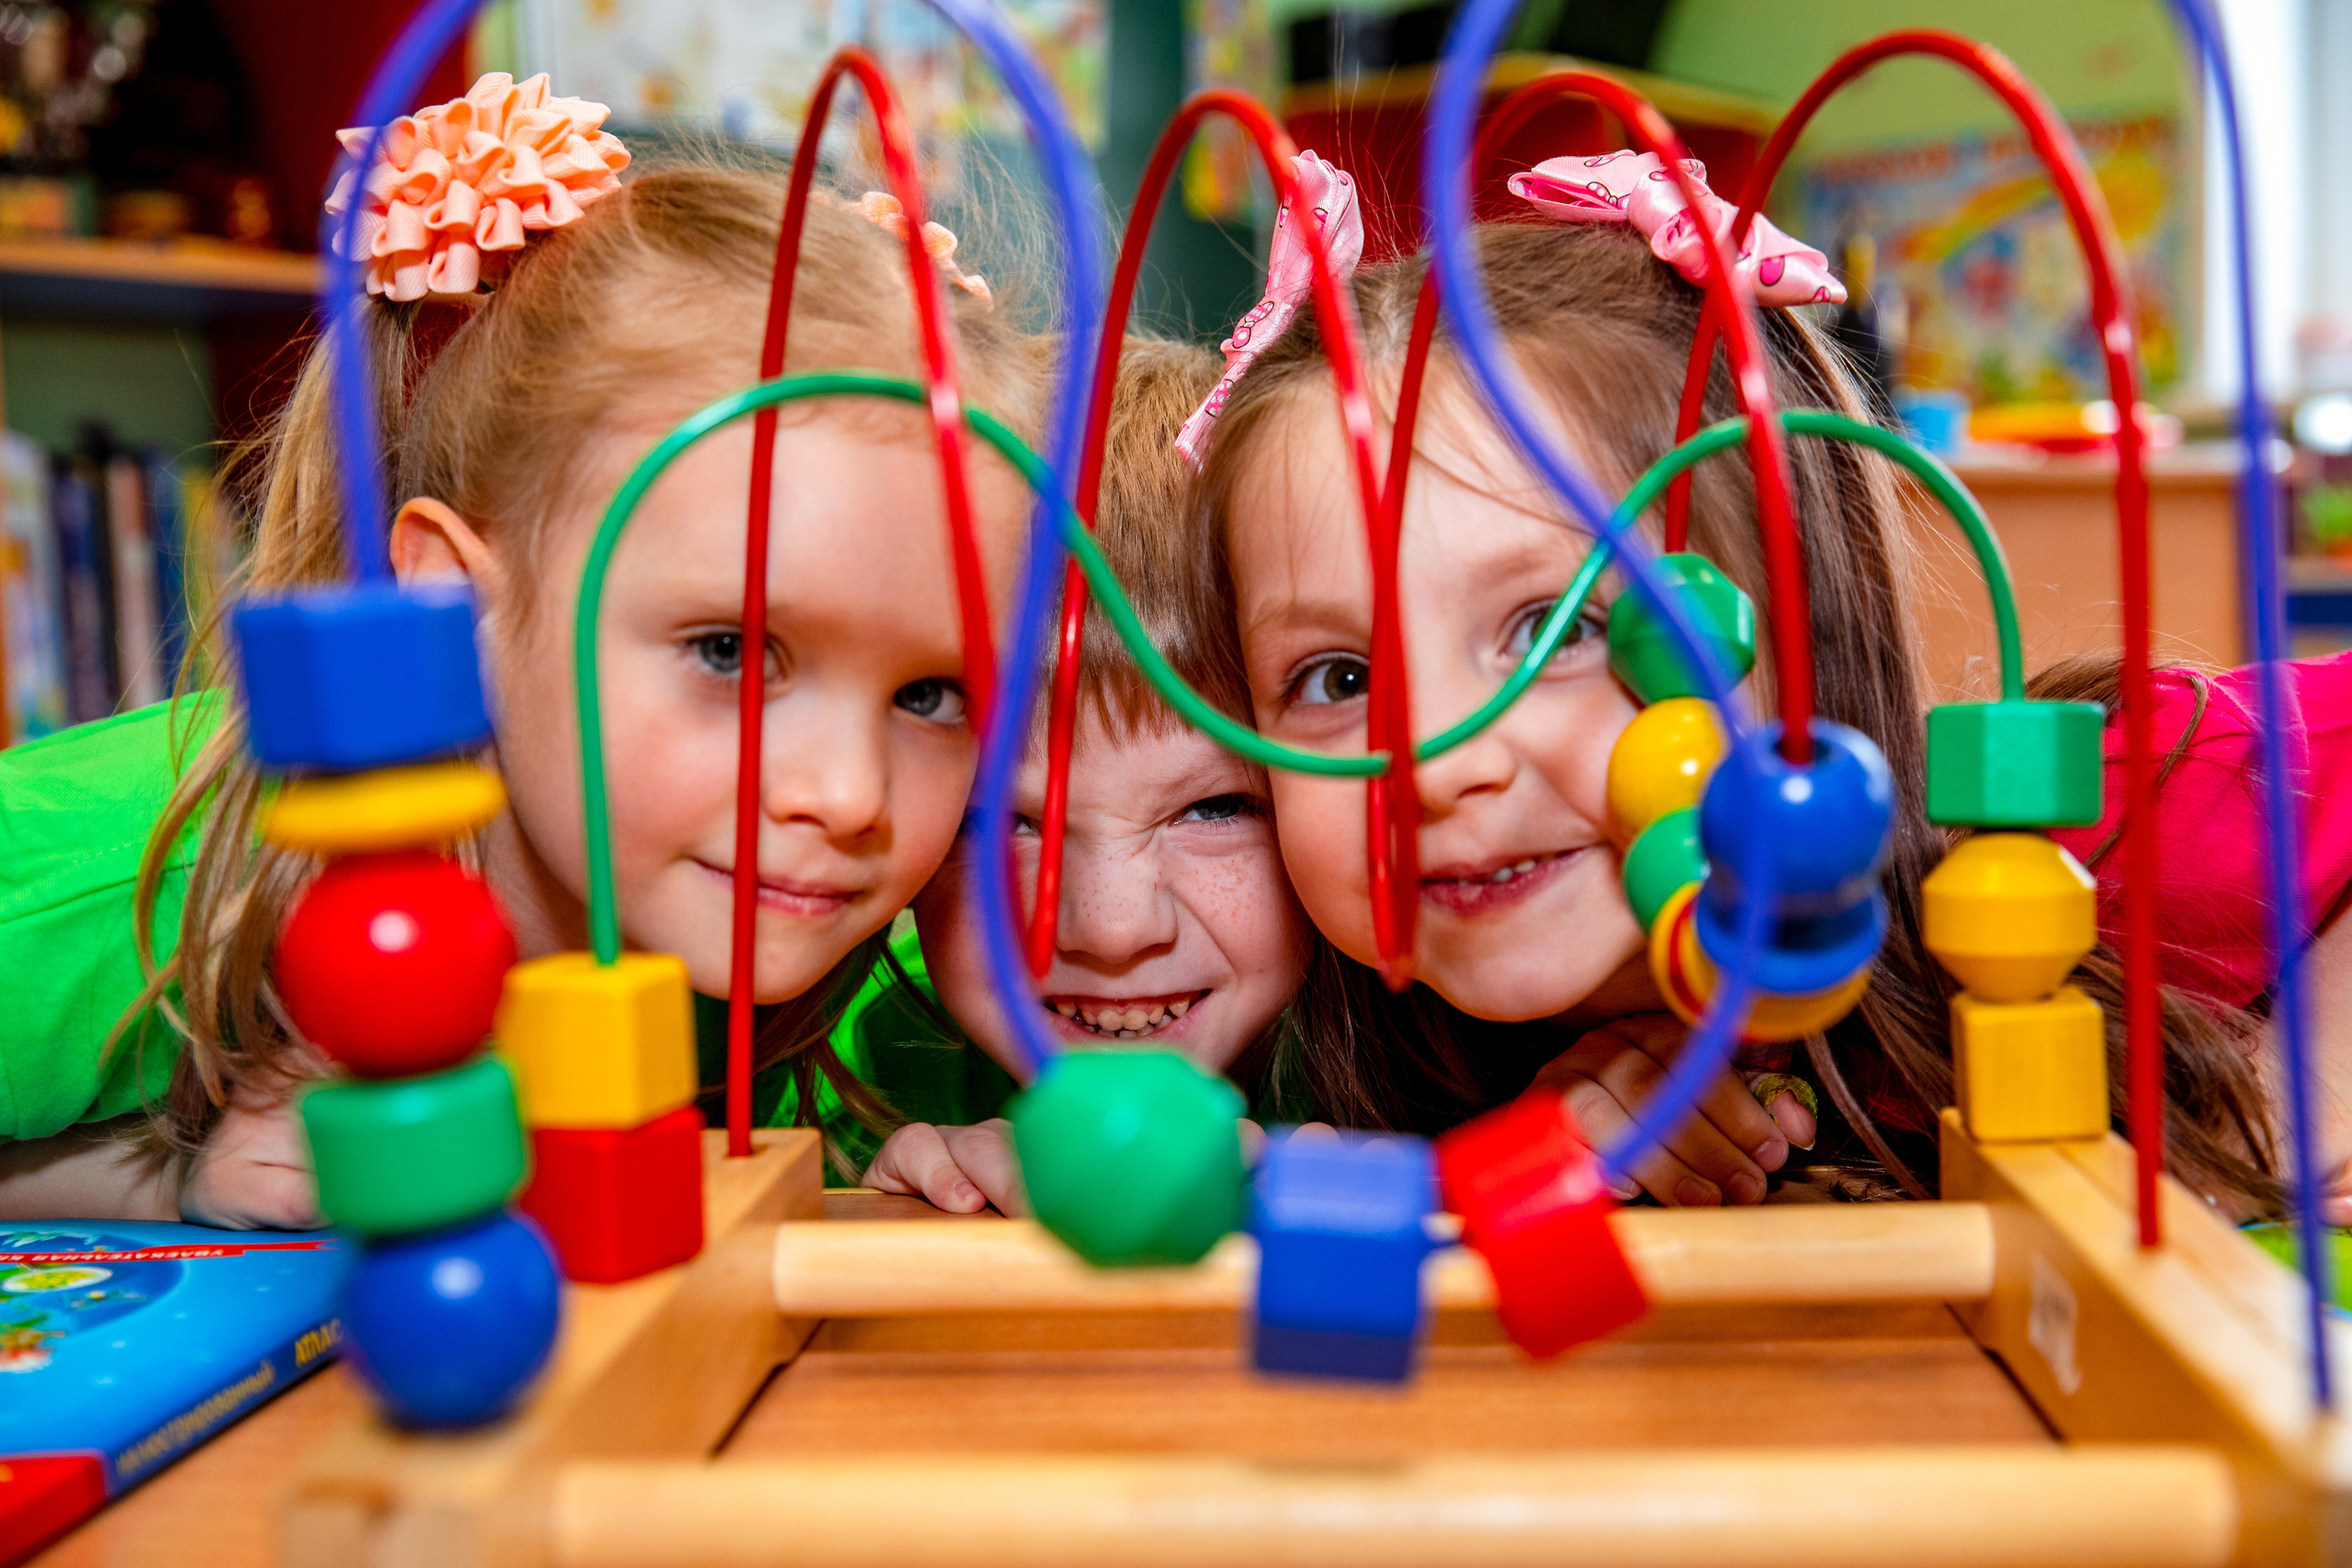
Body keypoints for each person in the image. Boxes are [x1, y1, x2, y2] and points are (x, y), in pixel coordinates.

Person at [0, 72, 1042, 1225]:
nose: (849, 796)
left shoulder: (825, 947)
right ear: (454, 606)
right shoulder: (113, 894)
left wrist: (965, 1158)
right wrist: (155, 1176)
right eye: (732, 654)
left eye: (935, 692)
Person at [1194, 147, 2310, 1218]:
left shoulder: (2079, 845)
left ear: (1795, 627)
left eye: (1554, 627)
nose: (1436, 762)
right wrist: (1540, 1159)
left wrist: (2285, 1103)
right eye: (1337, 678)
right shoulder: (1385, 1067)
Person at [846, 338, 1318, 1214]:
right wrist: (868, 1211)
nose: (1110, 929)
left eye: (1213, 807)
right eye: (999, 825)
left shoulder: (1451, 1046)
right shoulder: (851, 1064)